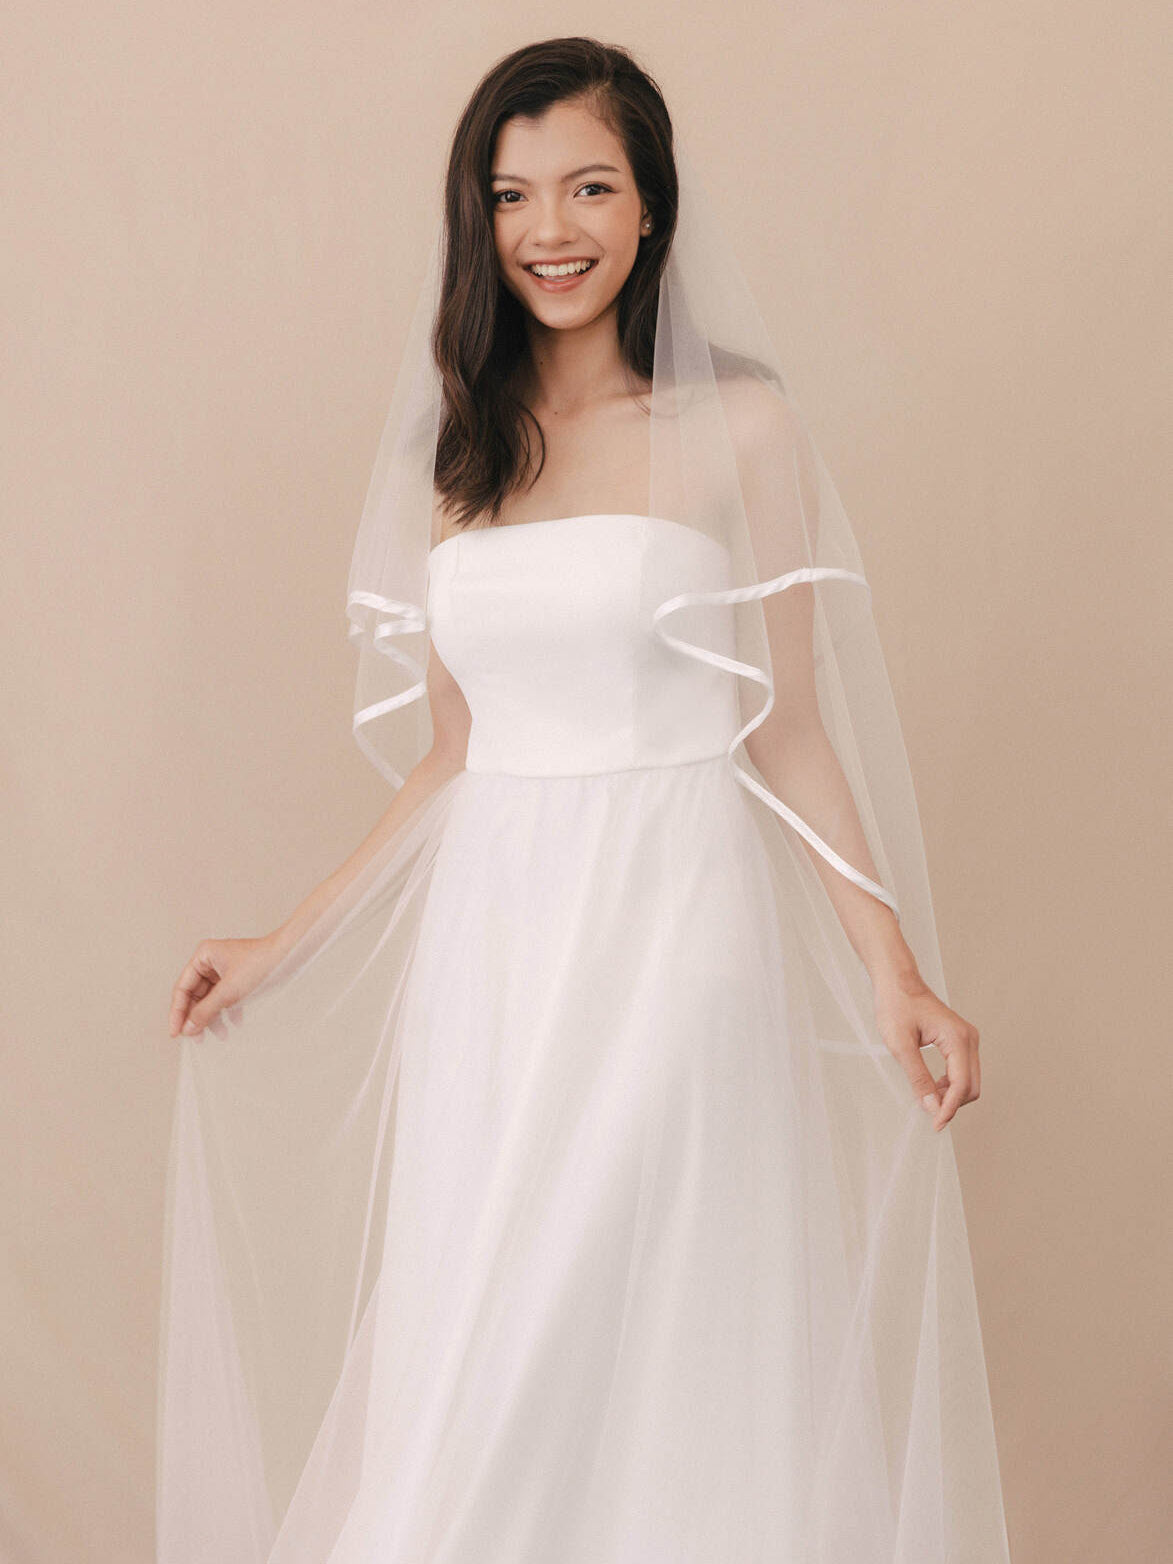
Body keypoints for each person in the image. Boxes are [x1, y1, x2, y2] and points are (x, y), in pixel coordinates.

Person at [160, 37, 1010, 1563]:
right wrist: (279, 945)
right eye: (512, 195)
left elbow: (789, 729)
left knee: (654, 1317)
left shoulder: (737, 428)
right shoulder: (458, 452)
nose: (549, 229)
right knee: (477, 1335)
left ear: (648, 207)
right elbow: (453, 753)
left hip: (676, 926)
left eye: (588, 188)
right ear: (477, 223)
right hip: (492, 946)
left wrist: (896, 971)